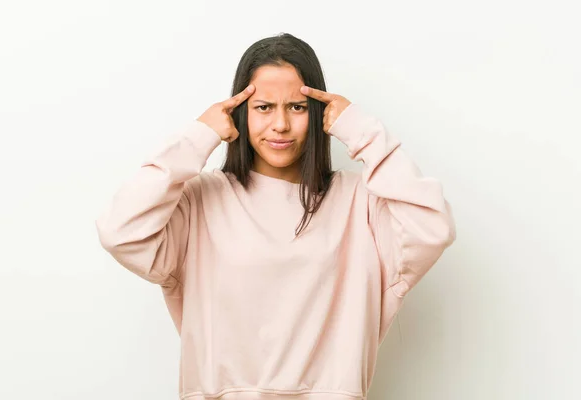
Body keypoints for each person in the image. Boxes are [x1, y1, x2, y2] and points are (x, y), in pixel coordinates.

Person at [96, 32, 456, 400]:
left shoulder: (359, 202)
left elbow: (431, 228)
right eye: (264, 107)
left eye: (297, 107)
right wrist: (198, 136)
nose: (280, 125)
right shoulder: (200, 200)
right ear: (239, 113)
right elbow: (120, 231)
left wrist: (362, 131)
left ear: (318, 114)